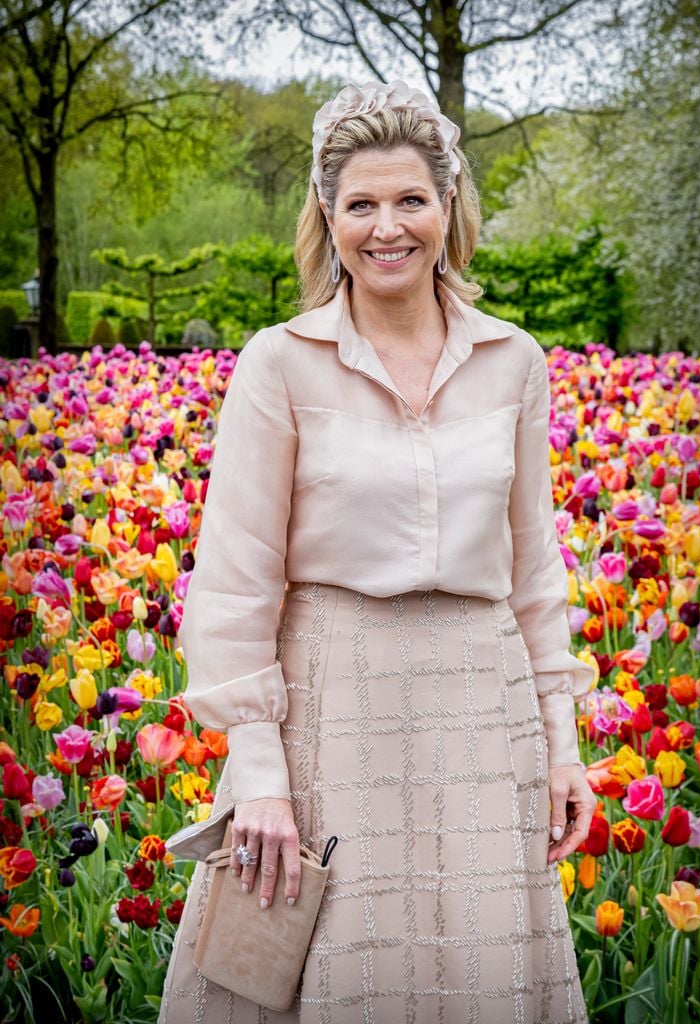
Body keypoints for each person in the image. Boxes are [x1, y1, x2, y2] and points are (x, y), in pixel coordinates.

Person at [159, 79, 598, 1024]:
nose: (386, 227)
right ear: (328, 215)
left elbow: (533, 570)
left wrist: (564, 748)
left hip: (486, 715)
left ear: (448, 209)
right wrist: (262, 783)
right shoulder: (279, 362)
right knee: (326, 976)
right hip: (331, 709)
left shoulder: (514, 360)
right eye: (360, 204)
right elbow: (236, 583)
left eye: (410, 200)